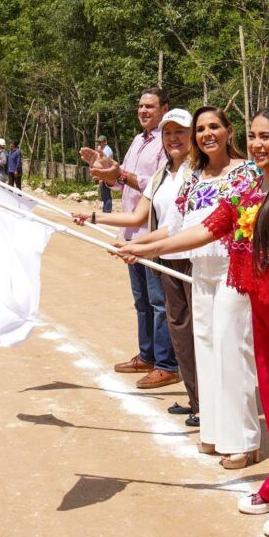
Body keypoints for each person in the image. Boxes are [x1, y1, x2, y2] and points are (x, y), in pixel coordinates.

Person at [120, 107, 269, 537]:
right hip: (263, 307)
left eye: (268, 137)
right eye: (255, 136)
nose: (259, 145)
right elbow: (207, 229)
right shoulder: (248, 185)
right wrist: (146, 250)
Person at [119, 106, 261, 468]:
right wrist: (138, 244)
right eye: (201, 129)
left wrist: (147, 247)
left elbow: (218, 228)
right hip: (201, 270)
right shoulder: (195, 175)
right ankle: (214, 432)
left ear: (230, 131)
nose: (206, 134)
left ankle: (244, 440)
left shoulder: (247, 173)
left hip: (235, 271)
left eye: (214, 126)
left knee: (233, 353)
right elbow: (176, 225)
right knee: (208, 351)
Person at [74, 108, 198, 407]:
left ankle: (201, 398)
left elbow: (179, 226)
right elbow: (137, 215)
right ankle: (199, 402)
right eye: (168, 133)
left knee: (197, 331)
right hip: (166, 256)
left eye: (180, 132)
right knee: (180, 328)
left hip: (191, 258)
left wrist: (143, 246)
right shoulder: (162, 174)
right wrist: (93, 217)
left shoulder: (198, 172)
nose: (172, 139)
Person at [80, 88, 177, 389]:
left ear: (164, 108)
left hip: (153, 233)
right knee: (142, 301)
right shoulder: (138, 141)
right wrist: (106, 171)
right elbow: (125, 185)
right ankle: (147, 355)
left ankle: (166, 364)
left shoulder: (169, 142)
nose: (144, 111)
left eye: (150, 106)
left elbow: (157, 184)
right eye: (140, 106)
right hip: (132, 233)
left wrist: (119, 174)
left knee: (160, 302)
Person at [96, 135, 115, 212]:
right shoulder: (105, 150)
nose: (99, 144)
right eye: (98, 142)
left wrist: (101, 177)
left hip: (106, 174)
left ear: (105, 142)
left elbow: (105, 164)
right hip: (106, 174)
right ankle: (105, 210)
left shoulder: (106, 150)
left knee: (106, 194)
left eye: (100, 142)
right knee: (104, 194)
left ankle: (107, 211)